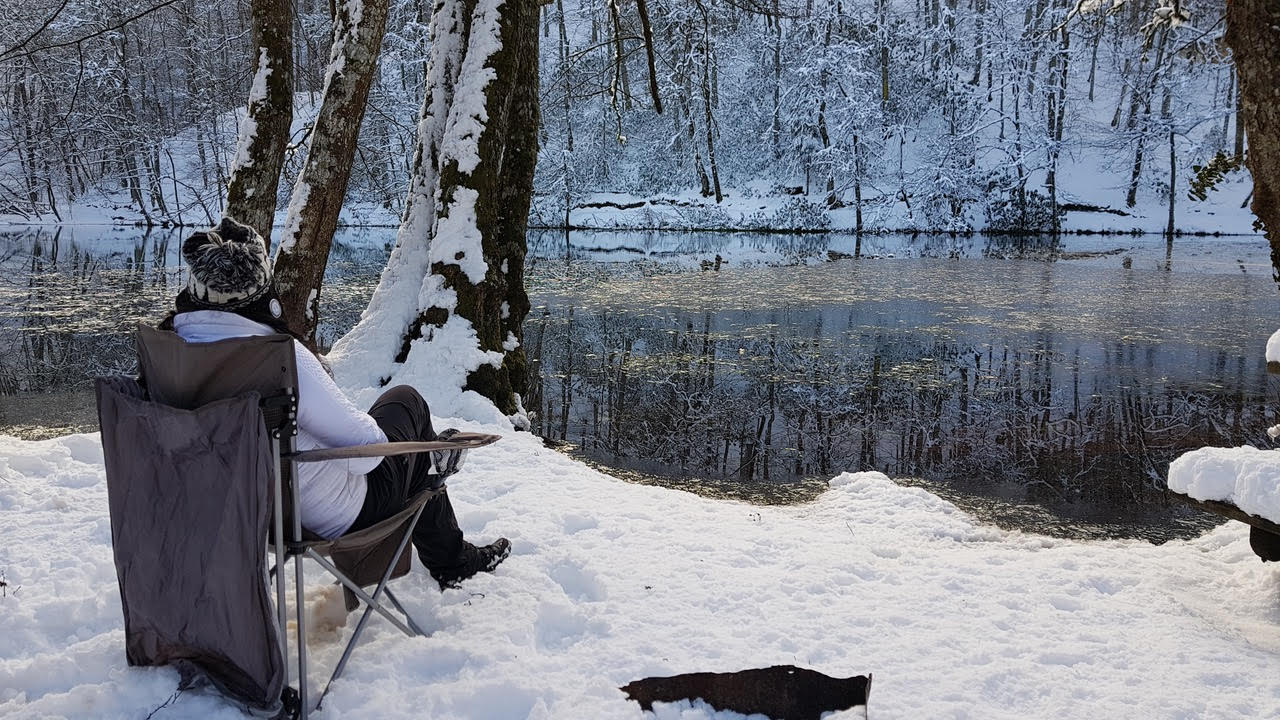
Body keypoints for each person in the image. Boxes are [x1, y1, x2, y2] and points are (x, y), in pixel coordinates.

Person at [164, 216, 509, 589]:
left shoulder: (169, 353)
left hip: (222, 511)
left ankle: (429, 475)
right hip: (314, 516)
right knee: (405, 403)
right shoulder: (276, 360)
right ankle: (449, 549)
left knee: (405, 446)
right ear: (263, 291)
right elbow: (368, 451)